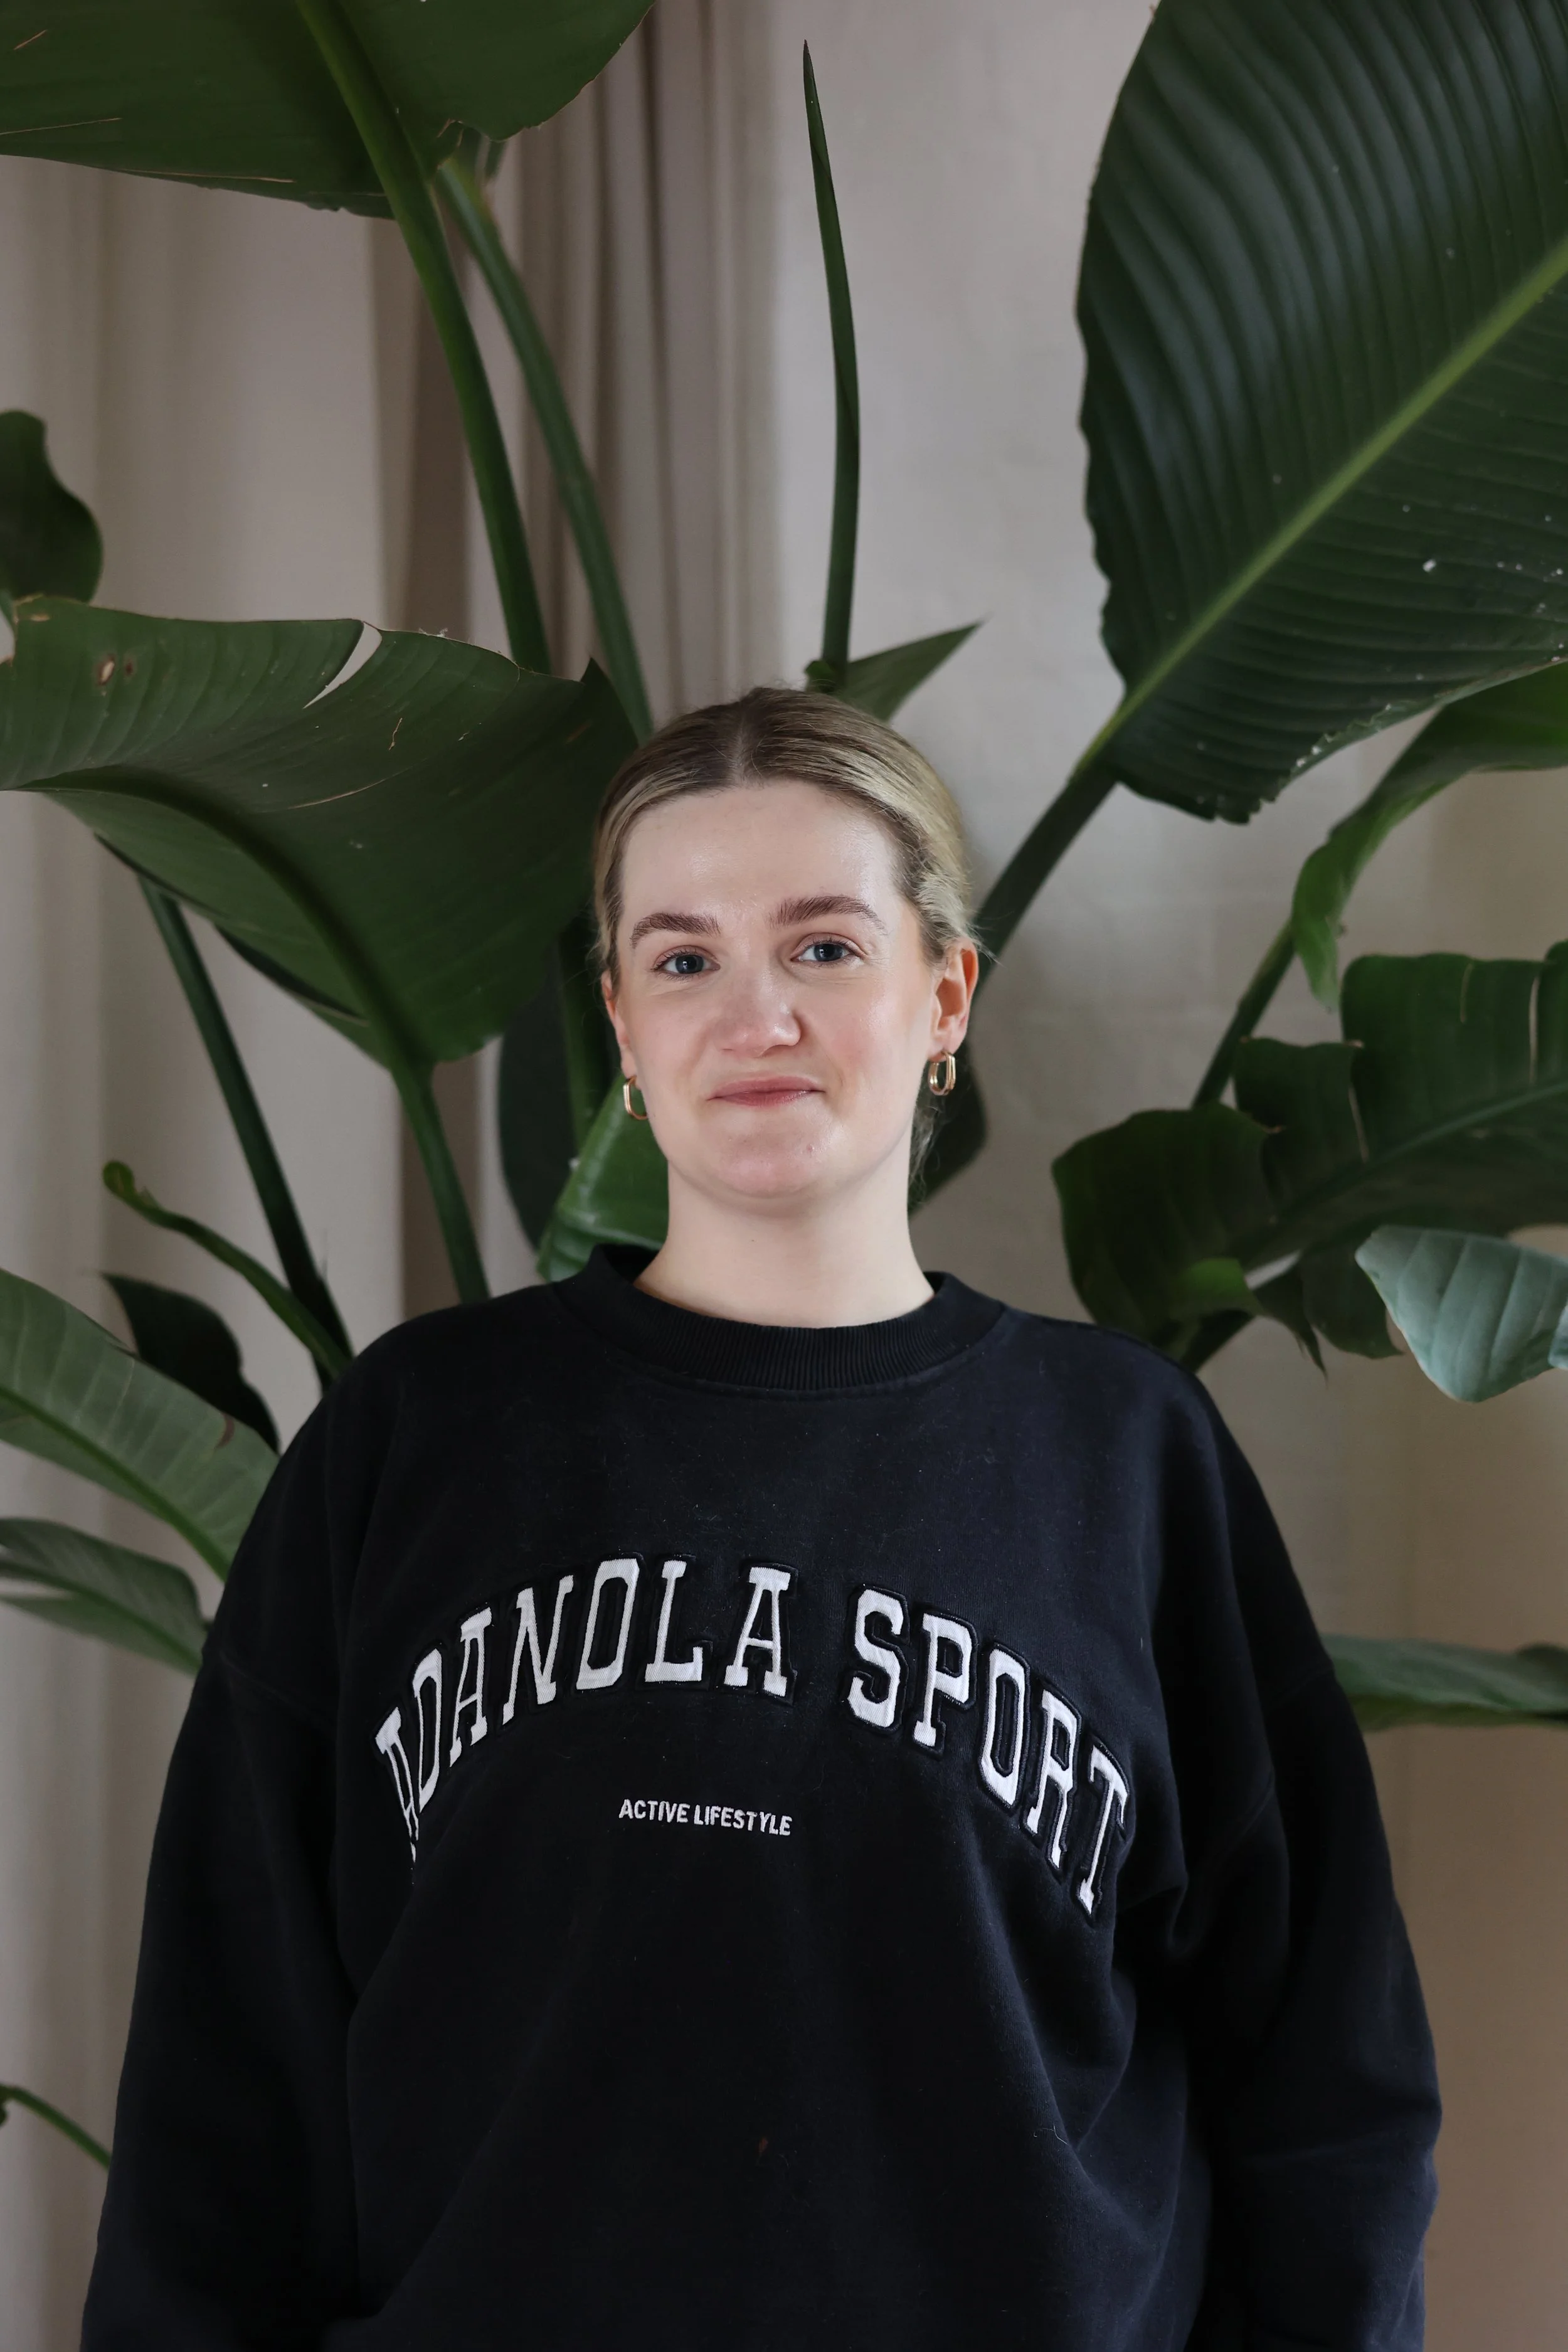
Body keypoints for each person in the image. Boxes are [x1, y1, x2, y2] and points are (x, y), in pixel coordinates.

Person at [82, 687, 1439, 2349]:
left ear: (942, 991)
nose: (754, 1015)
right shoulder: (419, 1439)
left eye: (820, 948)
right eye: (682, 958)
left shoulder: (1124, 1460)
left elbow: (1323, 2084)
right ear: (621, 1024)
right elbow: (224, 2091)